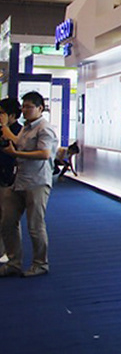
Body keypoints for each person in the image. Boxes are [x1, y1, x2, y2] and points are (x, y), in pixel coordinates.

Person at [0, 91, 58, 278]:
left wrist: (16, 154)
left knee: (35, 226)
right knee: (8, 222)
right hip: (20, 181)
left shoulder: (45, 128)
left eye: (29, 107)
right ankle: (13, 262)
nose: (25, 110)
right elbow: (19, 143)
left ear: (40, 108)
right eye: (23, 106)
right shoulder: (26, 128)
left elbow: (44, 154)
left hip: (37, 182)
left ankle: (40, 264)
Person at [0, 98, 23, 265]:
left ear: (12, 115)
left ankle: (10, 253)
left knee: (9, 218)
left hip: (10, 179)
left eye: (2, 113)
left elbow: (17, 149)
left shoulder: (19, 132)